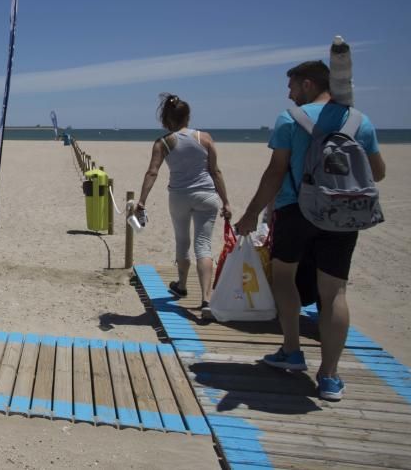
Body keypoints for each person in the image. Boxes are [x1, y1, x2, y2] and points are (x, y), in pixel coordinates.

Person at [236, 60, 386, 402]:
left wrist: (251, 214)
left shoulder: (290, 119)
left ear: (307, 84)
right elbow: (377, 173)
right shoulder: (360, 120)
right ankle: (330, 377)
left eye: (291, 86)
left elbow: (275, 172)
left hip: (295, 211)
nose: (288, 93)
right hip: (341, 216)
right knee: (334, 292)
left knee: (284, 279)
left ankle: (292, 350)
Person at [136, 94, 232, 316]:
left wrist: (142, 200)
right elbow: (215, 171)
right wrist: (226, 201)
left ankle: (181, 285)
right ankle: (206, 300)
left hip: (179, 196)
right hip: (206, 195)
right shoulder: (205, 138)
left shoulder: (163, 142)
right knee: (203, 245)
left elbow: (153, 172)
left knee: (182, 240)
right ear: (188, 116)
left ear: (166, 118)